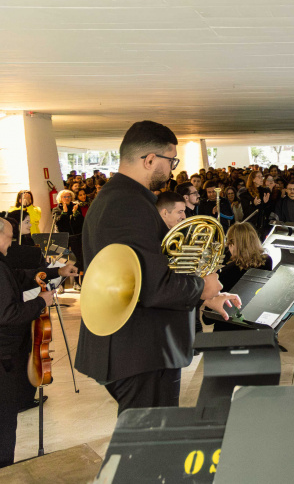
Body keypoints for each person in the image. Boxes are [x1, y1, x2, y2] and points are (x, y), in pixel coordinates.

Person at [73, 120, 241, 416]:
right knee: (149, 448)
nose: (172, 168)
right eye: (170, 160)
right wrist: (203, 287)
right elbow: (154, 286)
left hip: (137, 348)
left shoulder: (118, 197)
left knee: (146, 444)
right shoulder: (129, 204)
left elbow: (151, 269)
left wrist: (205, 295)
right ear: (150, 160)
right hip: (141, 350)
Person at [0, 218, 78, 467]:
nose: (12, 241)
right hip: (3, 356)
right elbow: (9, 315)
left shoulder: (3, 265)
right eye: (9, 236)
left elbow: (19, 278)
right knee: (4, 423)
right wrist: (41, 302)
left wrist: (57, 272)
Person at [208, 223, 273, 332]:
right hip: (257, 325)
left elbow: (209, 318)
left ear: (233, 245)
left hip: (229, 330)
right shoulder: (267, 261)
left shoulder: (225, 273)